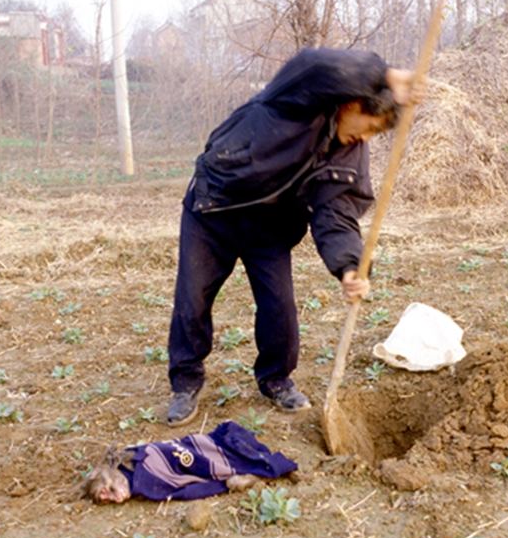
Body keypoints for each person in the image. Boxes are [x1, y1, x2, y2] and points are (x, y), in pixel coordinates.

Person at [166, 47, 420, 427]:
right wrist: (384, 75)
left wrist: (348, 266)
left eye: (375, 135)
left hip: (269, 225)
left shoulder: (349, 153)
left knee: (279, 307)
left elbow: (336, 212)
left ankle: (275, 380)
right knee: (193, 298)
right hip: (213, 209)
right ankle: (185, 382)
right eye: (368, 125)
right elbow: (314, 65)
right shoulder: (300, 97)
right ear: (352, 103)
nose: (364, 138)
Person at [84, 421, 298, 504]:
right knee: (234, 477)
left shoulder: (128, 457)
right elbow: (187, 489)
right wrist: (224, 483)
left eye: (108, 491)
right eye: (111, 498)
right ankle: (255, 471)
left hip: (212, 445)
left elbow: (169, 448)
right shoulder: (149, 484)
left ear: (94, 473)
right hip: (213, 458)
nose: (118, 498)